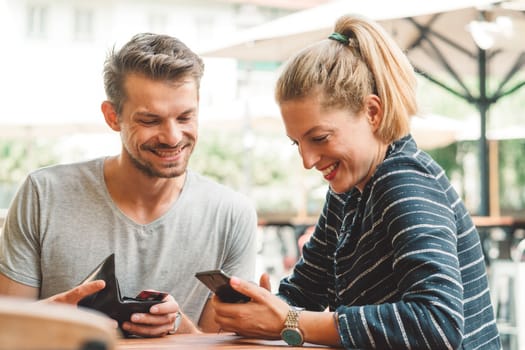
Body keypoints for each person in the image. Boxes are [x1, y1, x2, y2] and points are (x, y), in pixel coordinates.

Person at [211, 14, 501, 349]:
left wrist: (288, 321)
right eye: (297, 144)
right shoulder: (349, 192)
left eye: (319, 137)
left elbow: (436, 324)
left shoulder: (404, 181)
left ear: (373, 112)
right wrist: (260, 308)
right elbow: (304, 292)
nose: (307, 161)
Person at [0, 33, 257, 338]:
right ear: (112, 117)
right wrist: (53, 320)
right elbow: (7, 332)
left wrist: (177, 325)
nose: (172, 137)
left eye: (185, 116)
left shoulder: (231, 214)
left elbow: (222, 344)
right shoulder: (43, 194)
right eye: (150, 121)